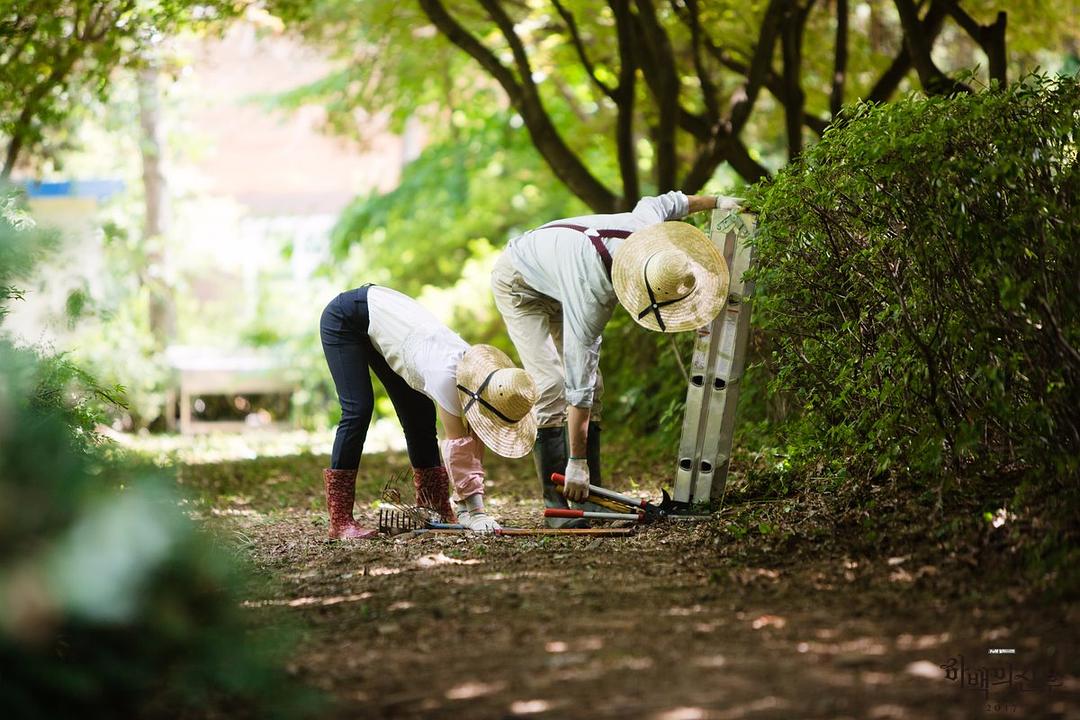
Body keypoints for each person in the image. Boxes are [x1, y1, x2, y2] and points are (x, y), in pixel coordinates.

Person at [491, 192, 731, 526]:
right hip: (519, 281)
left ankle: (595, 499)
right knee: (551, 386)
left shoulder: (647, 232)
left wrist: (718, 201)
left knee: (595, 384)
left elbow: (668, 202)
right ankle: (560, 506)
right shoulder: (590, 295)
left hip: (558, 273)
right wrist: (576, 461)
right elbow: (578, 384)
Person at [319, 283, 538, 539]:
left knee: (419, 414)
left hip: (387, 322)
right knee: (358, 409)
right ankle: (340, 521)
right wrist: (475, 511)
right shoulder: (448, 377)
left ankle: (435, 506)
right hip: (345, 317)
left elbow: (476, 436)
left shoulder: (481, 373)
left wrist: (468, 506)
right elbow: (459, 445)